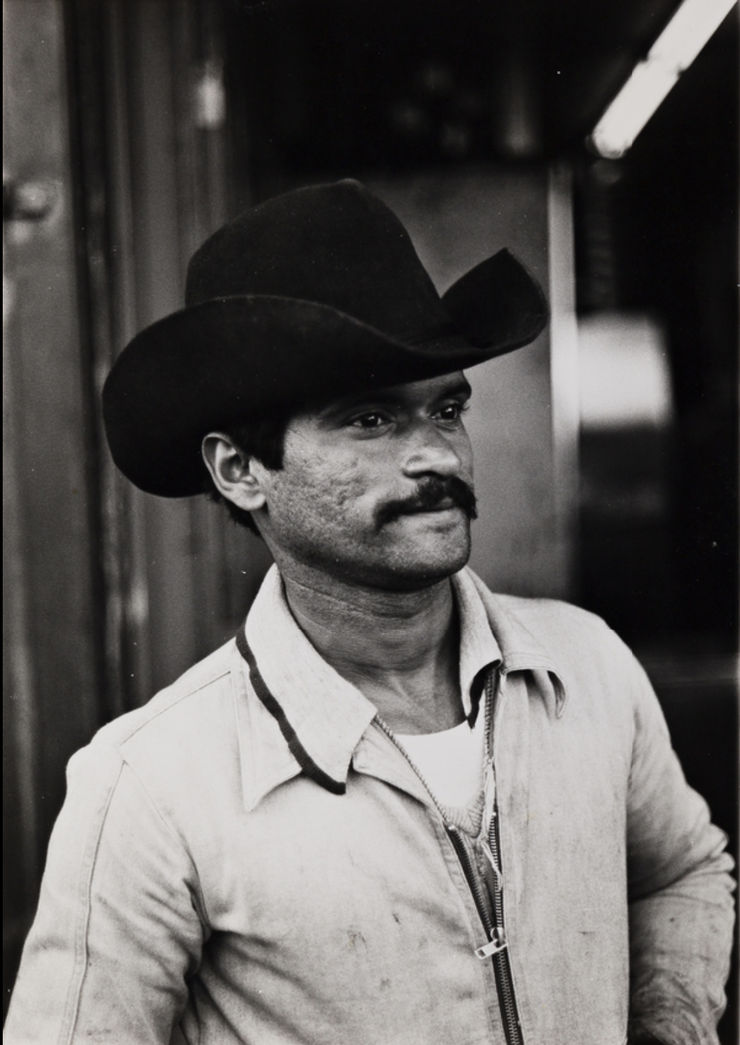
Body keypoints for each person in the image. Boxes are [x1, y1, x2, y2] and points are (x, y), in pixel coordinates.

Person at [5, 179, 734, 1045]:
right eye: (371, 419)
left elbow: (681, 871)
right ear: (241, 470)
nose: (436, 452)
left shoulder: (586, 667)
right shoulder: (151, 784)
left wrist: (667, 1025)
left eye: (448, 407)